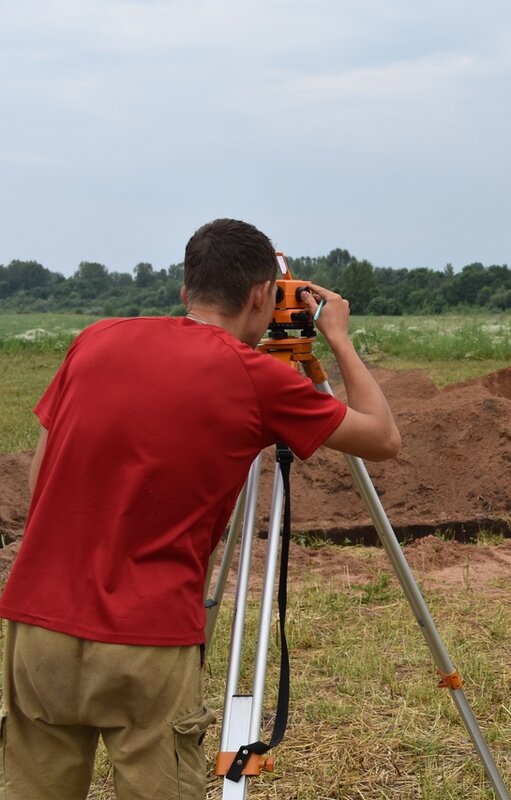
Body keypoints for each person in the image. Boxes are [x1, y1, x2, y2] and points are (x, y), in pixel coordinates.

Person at [0, 218, 402, 799]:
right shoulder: (258, 378)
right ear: (263, 295)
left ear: (187, 289)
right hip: (147, 639)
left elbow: (41, 480)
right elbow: (384, 438)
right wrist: (337, 335)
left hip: (37, 628)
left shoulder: (94, 339)